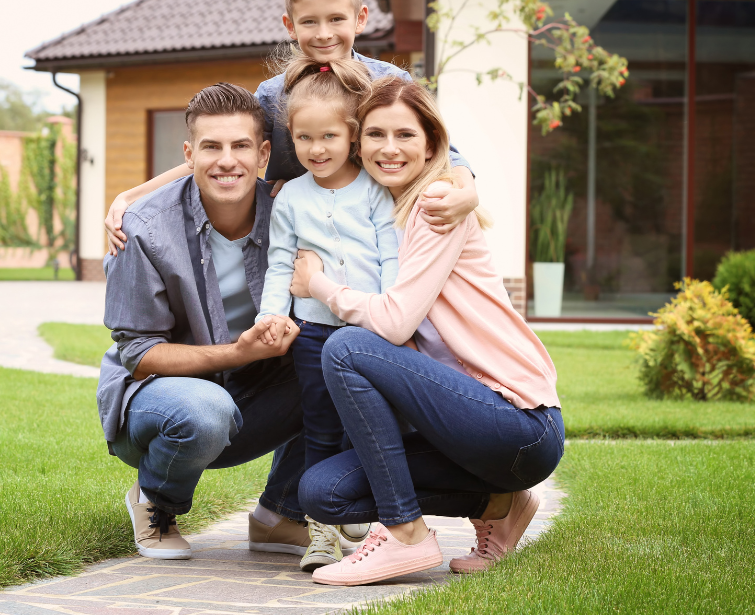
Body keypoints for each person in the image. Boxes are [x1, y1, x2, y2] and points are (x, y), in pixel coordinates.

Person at [289, 76, 564, 586]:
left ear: (433, 144)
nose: (388, 149)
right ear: (357, 142)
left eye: (405, 135)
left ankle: (405, 535)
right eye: (375, 135)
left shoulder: (437, 202)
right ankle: (501, 503)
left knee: (347, 346)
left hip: (519, 422)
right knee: (322, 492)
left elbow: (392, 324)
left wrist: (319, 285)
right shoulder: (384, 213)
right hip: (466, 430)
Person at [102, 0, 480, 257]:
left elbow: (447, 153)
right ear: (290, 25)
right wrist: (131, 196)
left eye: (336, 19)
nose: (324, 33)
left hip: (381, 231)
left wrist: (468, 193)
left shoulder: (390, 84)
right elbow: (223, 149)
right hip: (301, 237)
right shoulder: (274, 94)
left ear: (360, 18)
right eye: (309, 22)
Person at [99, 82, 313, 560]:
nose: (226, 161)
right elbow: (137, 355)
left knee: (345, 360)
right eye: (211, 147)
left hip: (253, 394)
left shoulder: (291, 213)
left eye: (240, 146)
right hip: (160, 405)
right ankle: (155, 501)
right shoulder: (144, 229)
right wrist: (238, 353)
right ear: (189, 153)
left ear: (262, 155)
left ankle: (282, 513)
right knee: (205, 409)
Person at [254, 54, 396, 571]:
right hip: (313, 332)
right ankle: (320, 533)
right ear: (290, 138)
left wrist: (394, 315)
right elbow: (278, 266)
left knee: (370, 426)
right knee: (319, 428)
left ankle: (371, 521)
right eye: (304, 139)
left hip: (369, 333)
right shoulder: (290, 196)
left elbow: (392, 259)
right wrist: (271, 316)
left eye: (329, 138)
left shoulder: (377, 190)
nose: (316, 150)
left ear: (352, 137)